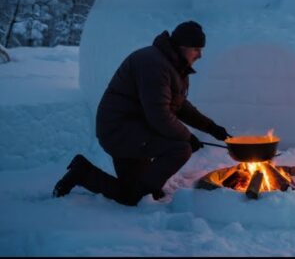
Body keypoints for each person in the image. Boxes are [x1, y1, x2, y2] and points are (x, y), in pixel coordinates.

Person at [53, 21, 232, 206]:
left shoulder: (170, 64)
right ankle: (139, 191)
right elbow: (159, 115)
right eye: (196, 49)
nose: (200, 55)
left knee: (130, 195)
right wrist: (188, 137)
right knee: (180, 148)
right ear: (182, 46)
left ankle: (83, 172)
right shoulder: (154, 65)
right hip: (120, 131)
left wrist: (211, 127)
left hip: (134, 130)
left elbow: (179, 105)